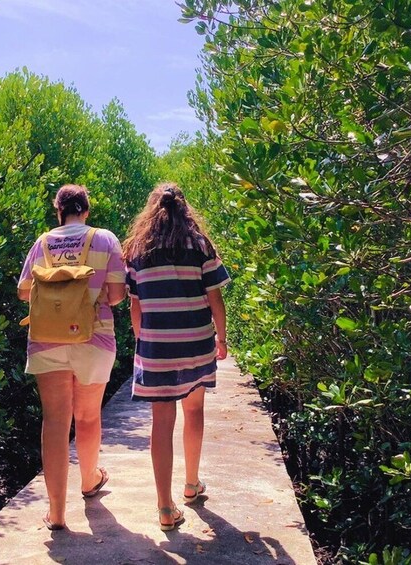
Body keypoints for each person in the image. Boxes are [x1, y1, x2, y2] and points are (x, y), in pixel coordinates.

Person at [122, 183, 230, 531]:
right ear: (185, 210)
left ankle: (165, 508)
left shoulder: (138, 250)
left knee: (161, 423)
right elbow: (215, 299)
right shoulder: (200, 245)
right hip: (196, 342)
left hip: (157, 348)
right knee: (194, 410)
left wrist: (145, 343)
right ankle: (191, 483)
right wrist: (222, 338)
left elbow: (134, 306)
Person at [18, 184, 126, 530]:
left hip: (46, 338)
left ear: (58, 211)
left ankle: (57, 513)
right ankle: (89, 480)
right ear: (87, 211)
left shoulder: (43, 242)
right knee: (88, 416)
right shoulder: (105, 239)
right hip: (94, 338)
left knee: (55, 421)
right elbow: (118, 294)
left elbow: (23, 292)